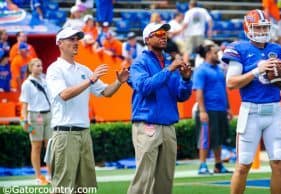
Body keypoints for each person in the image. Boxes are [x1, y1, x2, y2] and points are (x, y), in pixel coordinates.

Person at [46, 27, 129, 192]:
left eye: (77, 39)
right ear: (60, 44)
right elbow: (64, 94)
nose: (76, 42)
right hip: (65, 134)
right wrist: (90, 81)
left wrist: (119, 82)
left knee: (87, 187)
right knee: (63, 187)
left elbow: (106, 92)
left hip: (84, 133)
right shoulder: (54, 69)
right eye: (71, 39)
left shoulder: (84, 69)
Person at [222, 9, 281, 194]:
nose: (261, 31)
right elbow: (231, 83)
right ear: (248, 28)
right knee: (243, 165)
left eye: (263, 27)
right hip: (250, 111)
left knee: (279, 163)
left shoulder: (276, 50)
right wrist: (257, 70)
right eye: (257, 28)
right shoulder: (240, 49)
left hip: (274, 110)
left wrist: (280, 75)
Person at [127, 22, 192, 194]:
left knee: (166, 179)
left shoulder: (169, 63)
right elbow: (144, 87)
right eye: (159, 33)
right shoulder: (139, 63)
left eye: (166, 34)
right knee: (144, 177)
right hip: (148, 124)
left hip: (168, 125)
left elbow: (181, 96)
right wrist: (169, 70)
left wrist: (186, 80)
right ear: (148, 39)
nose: (164, 36)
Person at [192, 44, 231, 174]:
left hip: (220, 110)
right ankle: (203, 165)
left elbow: (224, 91)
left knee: (218, 139)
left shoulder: (220, 70)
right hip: (208, 110)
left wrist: (228, 108)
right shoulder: (201, 70)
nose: (218, 55)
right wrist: (202, 111)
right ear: (208, 54)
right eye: (215, 53)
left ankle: (218, 165)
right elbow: (199, 92)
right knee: (205, 138)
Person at [19, 58, 52, 185]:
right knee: (36, 146)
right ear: (31, 68)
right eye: (37, 65)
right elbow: (24, 105)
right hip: (35, 115)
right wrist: (24, 121)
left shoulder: (45, 81)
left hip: (49, 114)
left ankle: (50, 175)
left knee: (50, 146)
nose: (40, 67)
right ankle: (39, 176)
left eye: (41, 65)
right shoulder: (27, 84)